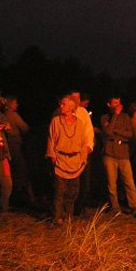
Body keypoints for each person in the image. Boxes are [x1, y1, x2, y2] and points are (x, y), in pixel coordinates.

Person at [47, 96, 89, 224]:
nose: (61, 106)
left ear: (71, 107)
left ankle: (68, 215)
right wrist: (52, 156)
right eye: (61, 104)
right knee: (59, 191)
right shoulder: (56, 121)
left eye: (63, 104)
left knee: (73, 192)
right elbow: (51, 139)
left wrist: (83, 158)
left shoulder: (80, 124)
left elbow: (84, 143)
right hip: (60, 160)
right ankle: (57, 216)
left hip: (75, 161)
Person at [101, 96, 136, 216]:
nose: (118, 105)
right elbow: (108, 132)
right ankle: (115, 207)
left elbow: (129, 134)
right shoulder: (105, 117)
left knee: (129, 181)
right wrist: (115, 115)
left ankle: (134, 206)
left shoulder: (125, 117)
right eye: (114, 103)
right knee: (112, 183)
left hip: (123, 153)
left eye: (119, 103)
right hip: (110, 153)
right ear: (109, 104)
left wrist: (116, 132)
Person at [3, 95, 36, 206]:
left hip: (6, 147)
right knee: (22, 171)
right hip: (15, 146)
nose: (17, 105)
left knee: (10, 172)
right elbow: (24, 127)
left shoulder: (2, 115)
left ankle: (9, 198)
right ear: (9, 103)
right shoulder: (13, 115)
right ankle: (29, 198)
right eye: (15, 103)